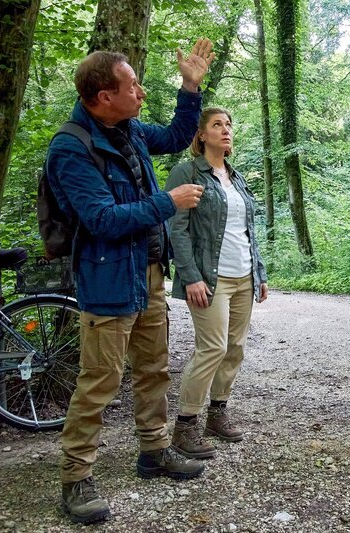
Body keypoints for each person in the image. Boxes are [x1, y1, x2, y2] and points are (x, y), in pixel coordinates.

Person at [46, 40, 215, 524]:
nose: (141, 92)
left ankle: (154, 451)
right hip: (106, 277)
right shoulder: (72, 148)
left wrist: (190, 86)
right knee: (99, 381)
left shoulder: (128, 129)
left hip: (148, 272)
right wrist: (169, 201)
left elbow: (180, 132)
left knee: (153, 368)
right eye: (132, 86)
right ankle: (76, 477)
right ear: (103, 95)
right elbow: (101, 219)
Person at [165, 107, 268, 458]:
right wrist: (190, 276)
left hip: (243, 276)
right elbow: (175, 228)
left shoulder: (236, 177)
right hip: (210, 278)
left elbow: (247, 231)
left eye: (229, 124)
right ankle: (184, 425)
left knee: (235, 348)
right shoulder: (187, 171)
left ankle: (217, 414)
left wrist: (259, 273)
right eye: (217, 125)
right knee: (212, 348)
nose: (225, 130)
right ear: (201, 134)